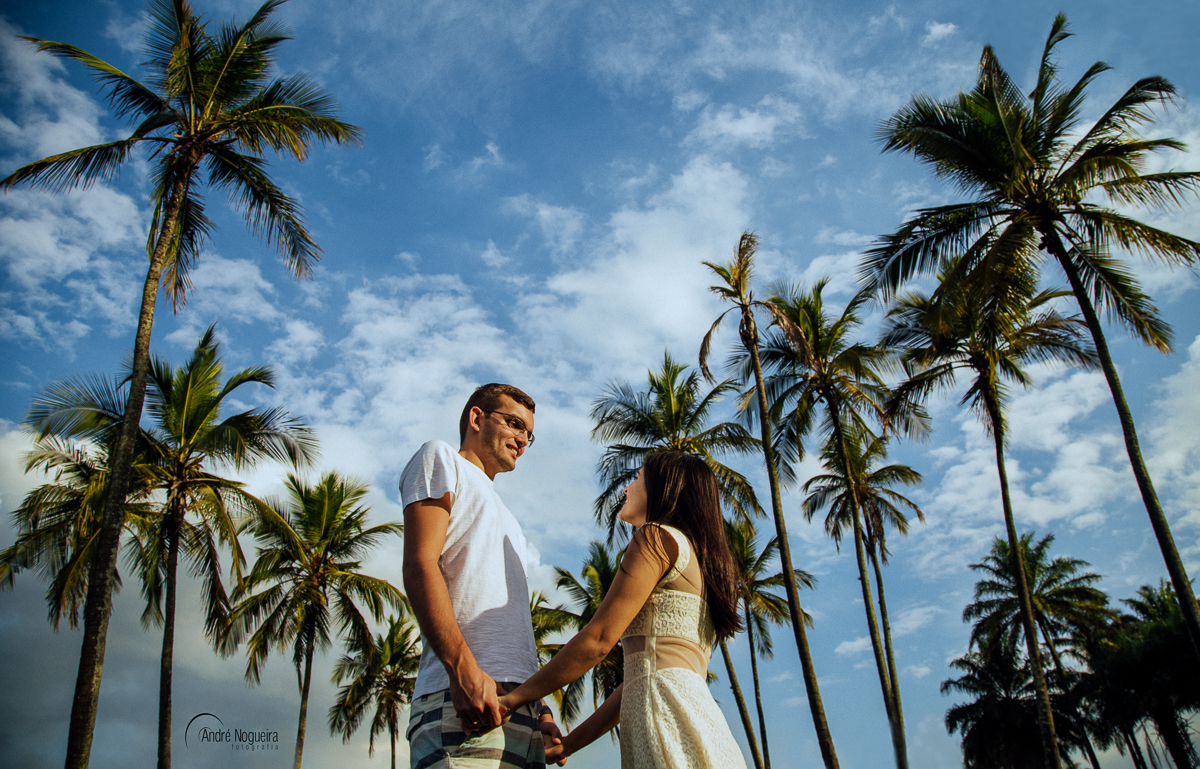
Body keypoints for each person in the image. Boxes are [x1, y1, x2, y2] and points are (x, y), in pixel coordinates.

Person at [499, 451, 749, 768]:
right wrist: (569, 745)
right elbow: (635, 683)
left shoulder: (655, 537)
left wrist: (512, 700)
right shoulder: (706, 568)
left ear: (664, 487)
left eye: (637, 478)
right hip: (700, 720)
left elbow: (600, 639)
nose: (626, 488)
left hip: (665, 715)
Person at [401, 383, 562, 769]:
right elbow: (419, 564)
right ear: (477, 418)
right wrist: (462, 671)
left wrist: (539, 710)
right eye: (514, 424)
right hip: (462, 702)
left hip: (517, 713)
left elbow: (512, 628)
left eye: (529, 433)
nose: (523, 438)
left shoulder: (509, 519)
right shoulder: (440, 458)